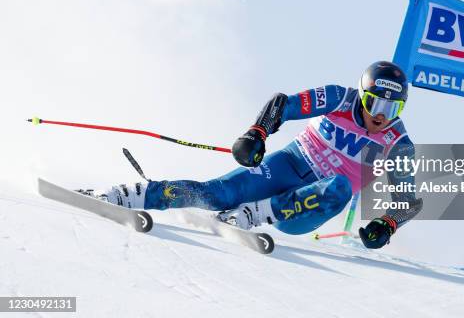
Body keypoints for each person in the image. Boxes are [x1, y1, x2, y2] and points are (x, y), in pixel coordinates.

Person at [88, 61, 422, 249]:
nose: (381, 115)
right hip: (287, 165)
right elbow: (283, 105)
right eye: (375, 103)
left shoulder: (398, 143)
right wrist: (257, 132)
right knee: (215, 193)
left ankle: (254, 214)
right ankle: (127, 195)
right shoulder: (339, 98)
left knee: (338, 186)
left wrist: (388, 224)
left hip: (308, 207)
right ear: (363, 96)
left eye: (393, 107)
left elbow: (410, 201)